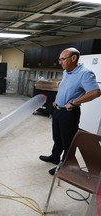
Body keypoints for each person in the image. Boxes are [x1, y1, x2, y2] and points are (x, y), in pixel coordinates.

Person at [39, 47, 101, 175]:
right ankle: (54, 157)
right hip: (58, 110)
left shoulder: (85, 73)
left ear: (73, 58)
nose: (60, 62)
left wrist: (73, 103)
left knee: (68, 141)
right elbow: (65, 89)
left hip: (69, 113)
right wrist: (57, 100)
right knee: (57, 137)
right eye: (59, 59)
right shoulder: (67, 71)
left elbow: (95, 92)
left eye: (63, 59)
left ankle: (65, 165)